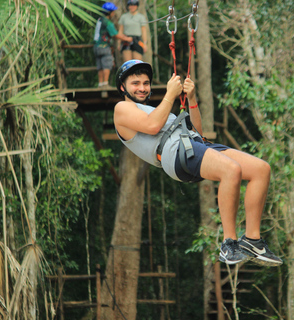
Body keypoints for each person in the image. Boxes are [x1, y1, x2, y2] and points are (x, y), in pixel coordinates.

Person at [113, 60, 283, 266]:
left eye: (146, 83)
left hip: (192, 145)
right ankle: (229, 243)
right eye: (135, 83)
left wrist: (191, 98)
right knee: (231, 170)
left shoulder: (153, 109)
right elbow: (152, 126)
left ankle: (252, 240)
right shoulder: (122, 109)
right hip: (174, 154)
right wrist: (170, 94)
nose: (142, 88)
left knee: (261, 169)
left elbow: (197, 134)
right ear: (123, 87)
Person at [93, 2, 133, 88]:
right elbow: (115, 35)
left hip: (96, 46)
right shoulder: (108, 23)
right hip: (104, 46)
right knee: (107, 64)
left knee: (100, 65)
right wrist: (127, 39)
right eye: (113, 12)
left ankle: (100, 84)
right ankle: (105, 84)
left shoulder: (99, 20)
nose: (114, 14)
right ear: (109, 12)